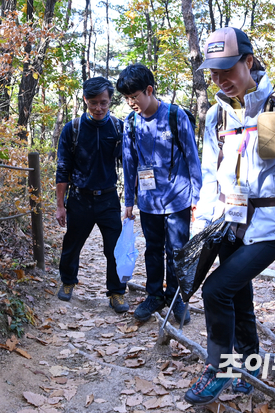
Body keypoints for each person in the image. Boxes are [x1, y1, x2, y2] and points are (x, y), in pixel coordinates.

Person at [183, 27, 275, 405]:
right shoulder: (216, 117)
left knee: (216, 289)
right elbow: (210, 177)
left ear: (248, 61)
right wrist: (201, 225)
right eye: (213, 72)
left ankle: (219, 368)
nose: (220, 80)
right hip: (230, 222)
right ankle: (250, 364)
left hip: (272, 226)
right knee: (238, 295)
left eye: (227, 69)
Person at [116, 64, 202, 324]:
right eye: (127, 98)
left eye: (135, 96)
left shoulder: (175, 116)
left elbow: (192, 158)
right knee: (153, 250)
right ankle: (154, 295)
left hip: (178, 199)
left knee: (177, 251)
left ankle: (176, 299)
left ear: (149, 90)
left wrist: (197, 198)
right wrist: (128, 202)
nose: (131, 102)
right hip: (149, 201)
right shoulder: (130, 123)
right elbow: (129, 163)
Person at [55, 77, 129, 314]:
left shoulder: (118, 128)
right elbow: (62, 168)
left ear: (110, 101)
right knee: (72, 244)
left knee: (114, 248)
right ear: (85, 99)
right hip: (79, 198)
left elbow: (129, 164)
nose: (99, 108)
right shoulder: (72, 129)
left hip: (108, 198)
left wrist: (131, 201)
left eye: (104, 103)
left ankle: (116, 292)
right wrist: (60, 205)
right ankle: (68, 281)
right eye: (94, 102)